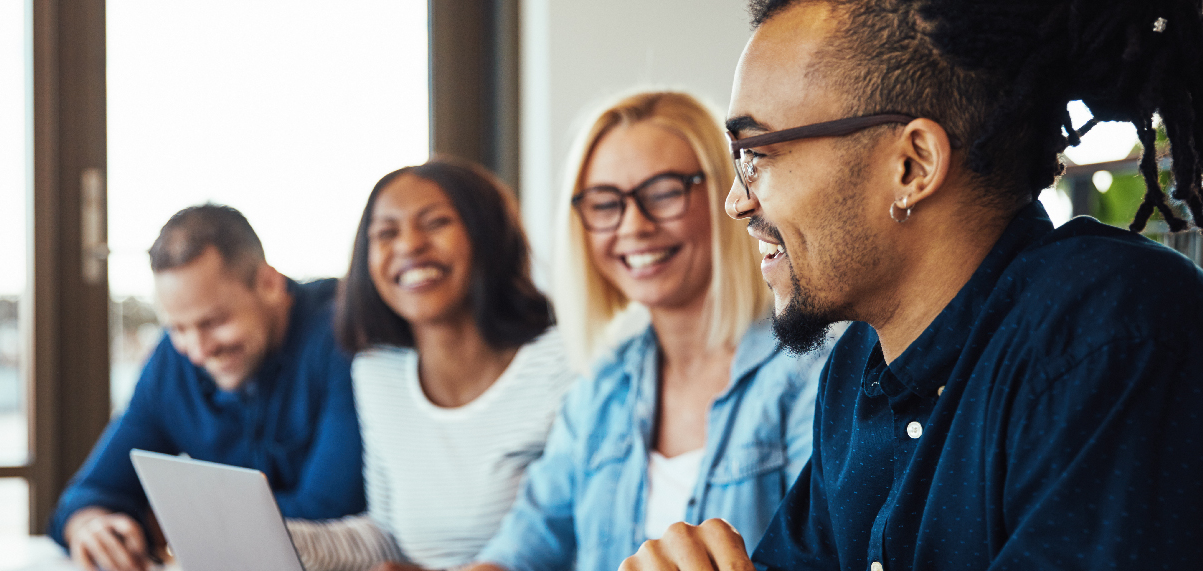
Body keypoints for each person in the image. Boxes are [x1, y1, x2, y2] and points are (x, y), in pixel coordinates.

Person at [622, 1, 1203, 570]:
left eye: (757, 154)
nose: (736, 202)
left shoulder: (1110, 333)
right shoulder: (857, 368)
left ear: (913, 165)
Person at [466, 91, 830, 571]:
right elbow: (523, 548)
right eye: (605, 202)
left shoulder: (812, 373)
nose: (633, 226)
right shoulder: (599, 392)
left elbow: (827, 554)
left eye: (662, 193)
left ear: (729, 194)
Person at [285, 158, 577, 571]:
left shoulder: (564, 363)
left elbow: (580, 538)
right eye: (386, 233)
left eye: (436, 222)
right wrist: (279, 539)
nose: (408, 245)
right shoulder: (377, 372)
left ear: (488, 237)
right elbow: (388, 536)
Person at [48, 204, 364, 571]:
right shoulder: (172, 359)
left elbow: (327, 514)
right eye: (178, 328)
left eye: (213, 322)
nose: (197, 351)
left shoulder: (344, 332)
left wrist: (164, 523)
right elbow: (91, 490)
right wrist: (89, 524)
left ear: (269, 283)